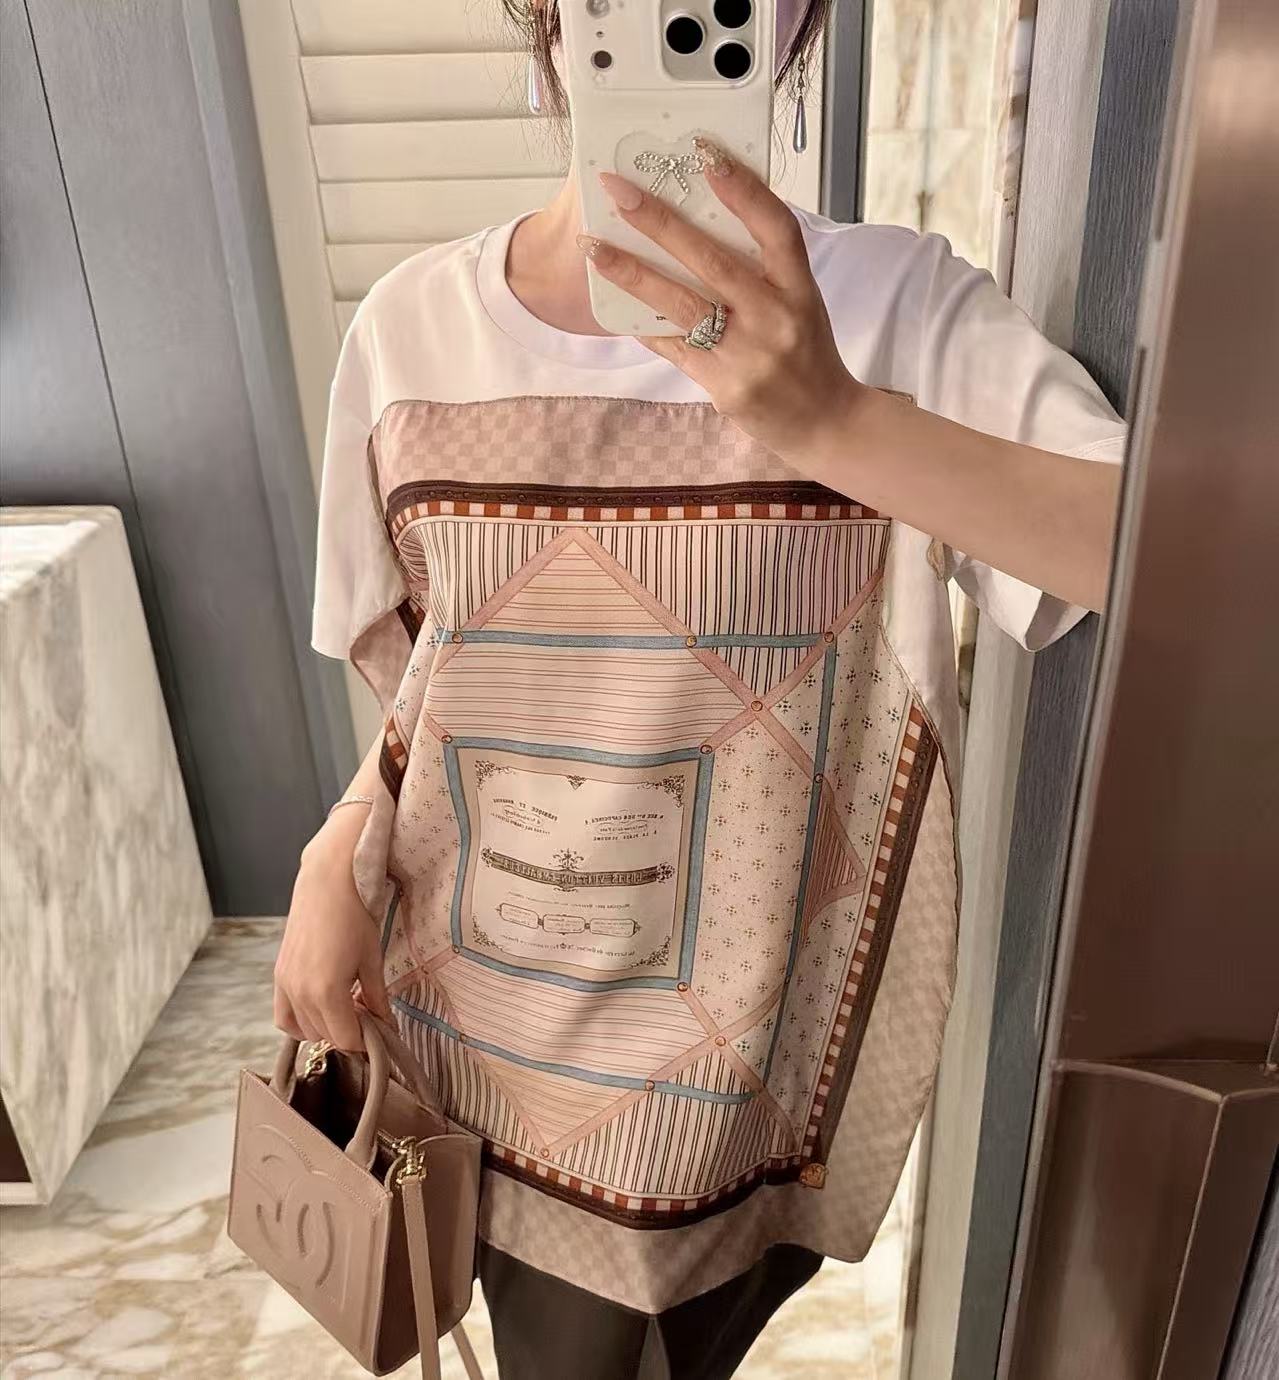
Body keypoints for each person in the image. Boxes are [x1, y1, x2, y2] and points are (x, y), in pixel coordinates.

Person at [274, 3, 1125, 1375]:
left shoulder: (898, 314)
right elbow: (435, 698)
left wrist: (837, 420)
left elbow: (1169, 555)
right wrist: (336, 851)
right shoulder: (407, 335)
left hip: (715, 1105)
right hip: (464, 1039)